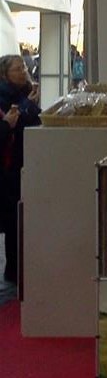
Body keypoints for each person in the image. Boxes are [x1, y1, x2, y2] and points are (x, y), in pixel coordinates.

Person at [0, 54, 42, 283]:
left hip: (27, 161)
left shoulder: (26, 93)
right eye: (17, 68)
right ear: (5, 74)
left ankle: (20, 269)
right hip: (9, 167)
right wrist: (27, 106)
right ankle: (14, 271)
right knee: (13, 220)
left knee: (22, 218)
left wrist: (31, 105)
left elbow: (34, 122)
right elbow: (13, 124)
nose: (23, 71)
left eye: (24, 67)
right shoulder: (4, 97)